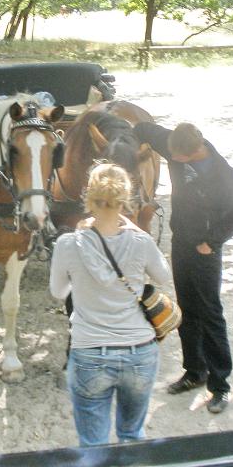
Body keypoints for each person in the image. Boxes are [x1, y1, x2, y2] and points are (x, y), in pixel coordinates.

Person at [49, 163, 172, 447]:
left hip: (90, 351)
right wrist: (135, 229)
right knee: (132, 436)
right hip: (140, 351)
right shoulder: (141, 242)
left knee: (93, 443)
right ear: (125, 200)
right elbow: (163, 277)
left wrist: (79, 281)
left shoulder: (68, 245)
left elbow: (58, 291)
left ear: (89, 198)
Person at [133, 121, 233, 414]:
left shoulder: (222, 174)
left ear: (192, 152)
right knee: (187, 309)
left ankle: (220, 384)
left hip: (205, 248)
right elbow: (142, 129)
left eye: (175, 158)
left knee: (210, 312)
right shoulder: (175, 143)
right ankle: (195, 371)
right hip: (181, 241)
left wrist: (213, 241)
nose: (170, 160)